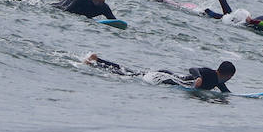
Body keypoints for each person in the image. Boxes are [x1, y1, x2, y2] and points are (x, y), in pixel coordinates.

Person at [85, 55, 237, 93]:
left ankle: (97, 61)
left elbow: (227, 94)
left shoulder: (219, 82)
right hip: (167, 77)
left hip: (170, 79)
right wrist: (198, 78)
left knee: (130, 73)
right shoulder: (210, 74)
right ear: (228, 75)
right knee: (128, 74)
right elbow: (193, 69)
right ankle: (96, 62)